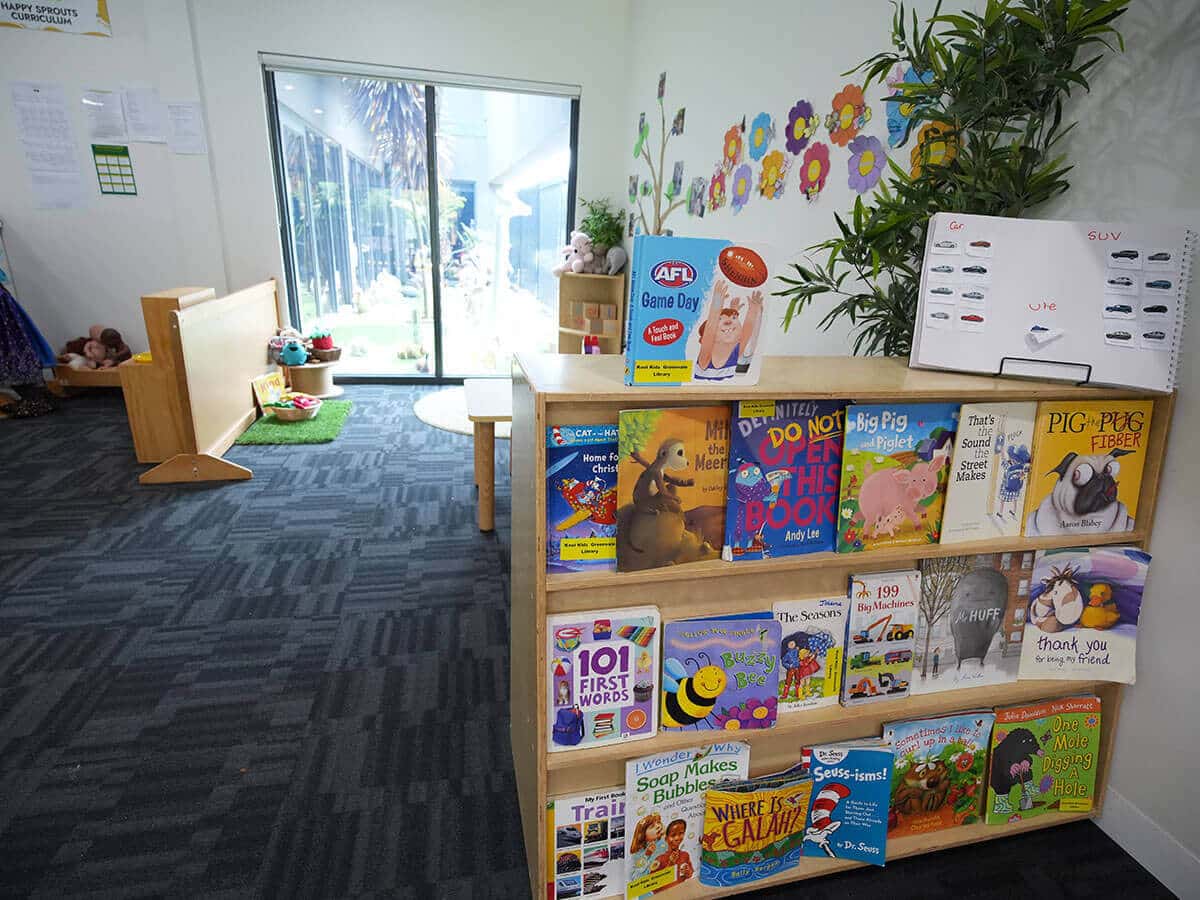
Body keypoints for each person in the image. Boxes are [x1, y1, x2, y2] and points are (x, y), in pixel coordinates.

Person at [693, 279, 763, 382]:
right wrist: (717, 301)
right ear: (703, 340)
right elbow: (710, 329)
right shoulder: (705, 361)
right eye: (720, 319)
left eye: (734, 318)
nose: (729, 322)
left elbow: (747, 330)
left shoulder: (737, 352)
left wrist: (753, 309)